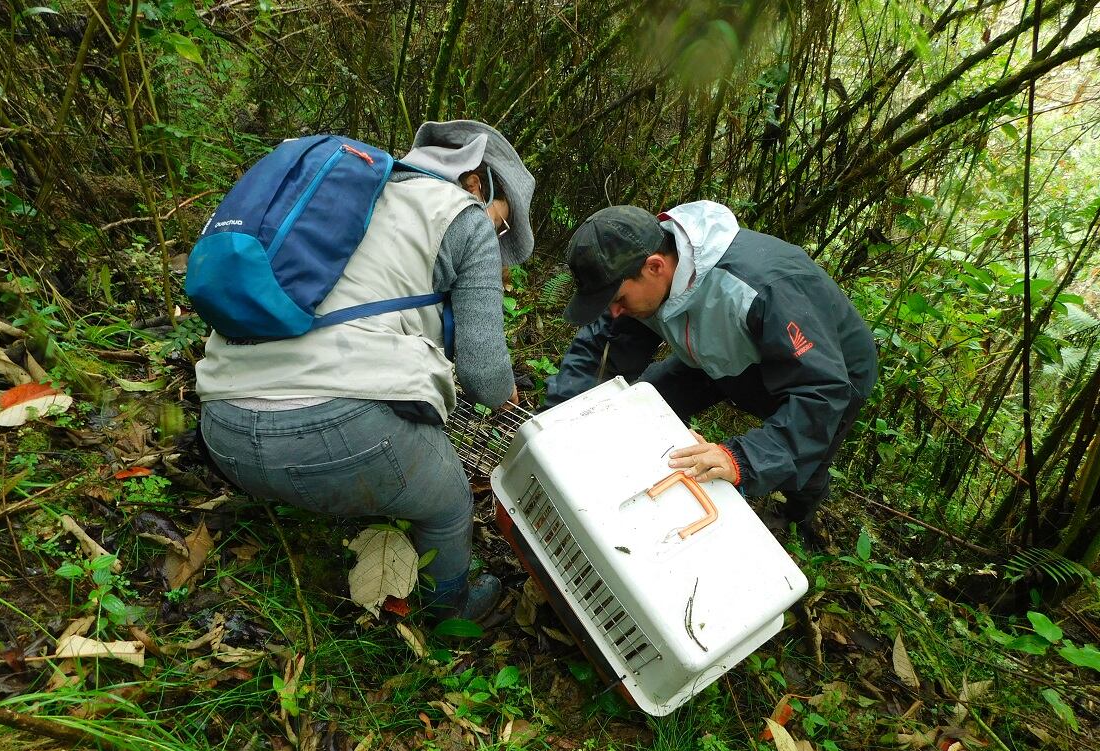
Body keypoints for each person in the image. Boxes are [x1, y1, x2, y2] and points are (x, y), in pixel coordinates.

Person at [195, 120, 536, 619]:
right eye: (502, 223)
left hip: (223, 434)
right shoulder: (462, 215)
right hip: (333, 437)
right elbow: (484, 378)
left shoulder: (347, 195)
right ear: (475, 184)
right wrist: (505, 393)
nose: (497, 235)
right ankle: (450, 610)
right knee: (449, 502)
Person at [544, 202, 877, 544]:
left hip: (830, 371)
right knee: (643, 404)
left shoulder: (762, 289)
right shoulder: (637, 270)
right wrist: (557, 418)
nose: (614, 311)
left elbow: (821, 393)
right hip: (718, 350)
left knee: (806, 456)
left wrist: (740, 459)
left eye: (618, 299)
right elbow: (602, 347)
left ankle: (796, 517)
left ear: (655, 266)